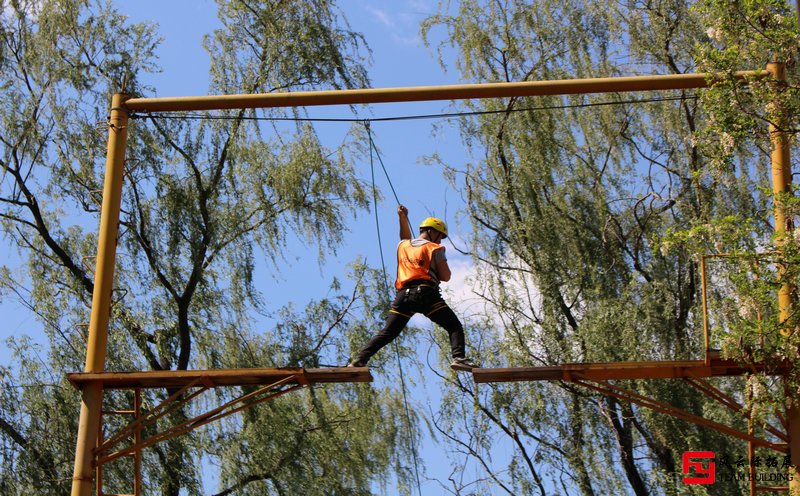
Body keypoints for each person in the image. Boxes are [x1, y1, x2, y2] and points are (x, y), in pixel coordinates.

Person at [348, 205, 478, 371]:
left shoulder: (403, 246)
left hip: (403, 297)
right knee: (453, 326)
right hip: (425, 294)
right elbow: (445, 276)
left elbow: (404, 236)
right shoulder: (435, 248)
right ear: (432, 232)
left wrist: (402, 217)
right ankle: (459, 357)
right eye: (440, 236)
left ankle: (360, 359)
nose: (439, 241)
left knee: (388, 333)